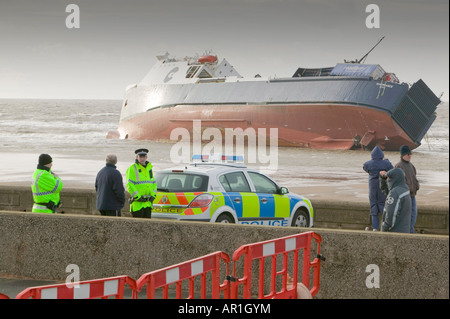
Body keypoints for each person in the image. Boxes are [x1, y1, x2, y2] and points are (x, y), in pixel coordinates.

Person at [363, 146, 393, 231]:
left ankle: (375, 227)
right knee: (383, 206)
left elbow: (365, 167)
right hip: (382, 187)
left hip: (372, 188)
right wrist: (386, 160)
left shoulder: (368, 164)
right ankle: (385, 226)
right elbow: (391, 169)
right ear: (381, 155)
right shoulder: (385, 163)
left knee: (373, 206)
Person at [395, 145, 420, 233]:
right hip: (405, 196)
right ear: (402, 155)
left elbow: (414, 178)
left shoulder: (411, 166)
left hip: (412, 195)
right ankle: (408, 232)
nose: (409, 156)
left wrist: (417, 186)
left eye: (410, 154)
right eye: (407, 154)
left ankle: (411, 231)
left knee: (413, 215)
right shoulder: (399, 166)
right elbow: (397, 183)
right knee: (406, 216)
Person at [126, 148, 157, 218]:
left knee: (147, 226)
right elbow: (130, 185)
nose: (142, 158)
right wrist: (138, 197)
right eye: (140, 156)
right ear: (137, 157)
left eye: (144, 156)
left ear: (146, 157)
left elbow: (153, 183)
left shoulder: (149, 168)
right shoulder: (132, 168)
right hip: (138, 204)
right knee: (137, 227)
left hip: (148, 204)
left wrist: (153, 195)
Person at [379, 168, 412, 233]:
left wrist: (384, 228)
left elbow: (391, 214)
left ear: (393, 179)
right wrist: (382, 179)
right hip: (404, 230)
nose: (387, 180)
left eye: (388, 178)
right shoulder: (404, 190)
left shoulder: (394, 193)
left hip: (394, 232)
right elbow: (386, 190)